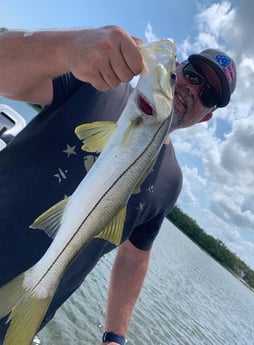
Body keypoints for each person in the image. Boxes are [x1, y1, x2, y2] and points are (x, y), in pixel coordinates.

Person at [0, 26, 236, 345]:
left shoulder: (172, 181)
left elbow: (135, 257)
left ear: (206, 117)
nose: (193, 90)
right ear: (178, 68)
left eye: (208, 95)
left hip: (25, 317)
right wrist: (66, 47)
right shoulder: (94, 80)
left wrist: (116, 335)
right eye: (193, 74)